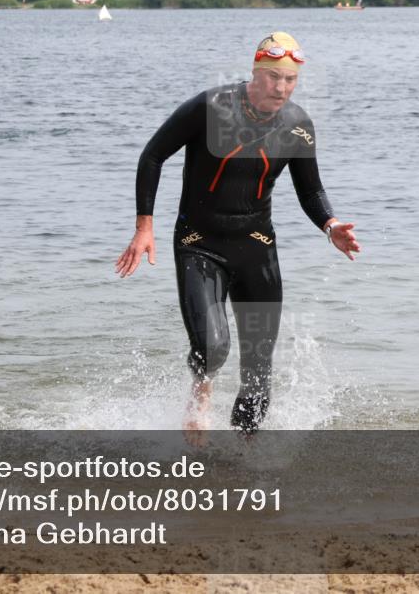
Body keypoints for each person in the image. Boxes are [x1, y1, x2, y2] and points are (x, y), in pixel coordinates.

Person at [115, 32, 360, 436]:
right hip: (199, 244)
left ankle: (245, 459)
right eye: (273, 77)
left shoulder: (298, 126)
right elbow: (153, 154)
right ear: (255, 71)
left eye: (290, 80)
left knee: (259, 374)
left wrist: (330, 225)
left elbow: (311, 189)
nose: (281, 88)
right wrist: (145, 226)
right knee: (213, 346)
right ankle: (201, 389)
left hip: (257, 247)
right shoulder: (211, 108)